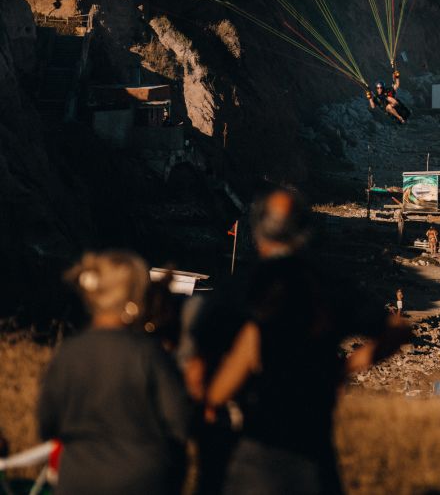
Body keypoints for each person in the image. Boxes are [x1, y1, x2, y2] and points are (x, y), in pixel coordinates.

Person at [205, 187, 408, 495]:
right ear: (305, 232)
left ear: (258, 232)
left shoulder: (244, 287)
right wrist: (346, 367)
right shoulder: (327, 286)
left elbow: (217, 377)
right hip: (315, 454)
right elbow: (398, 330)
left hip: (257, 452)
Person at [38, 250, 190, 495]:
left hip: (79, 479)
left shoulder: (68, 353)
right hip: (143, 480)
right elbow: (180, 422)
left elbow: (47, 423)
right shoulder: (149, 354)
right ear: (135, 297)